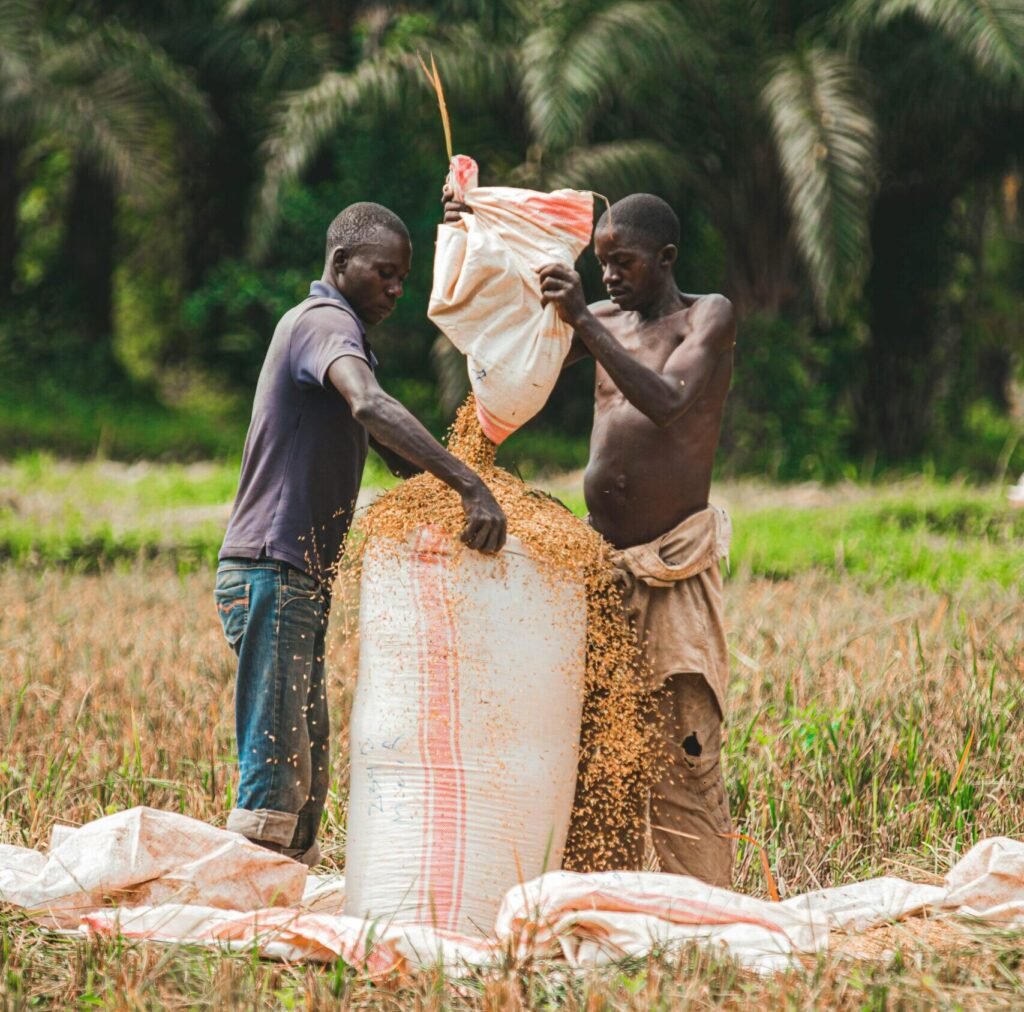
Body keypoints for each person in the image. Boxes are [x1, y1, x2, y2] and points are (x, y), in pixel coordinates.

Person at [215, 202, 506, 866]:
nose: (397, 290)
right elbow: (371, 405)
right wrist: (466, 484)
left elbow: (392, 448)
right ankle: (248, 914)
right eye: (386, 273)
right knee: (277, 776)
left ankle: (280, 900)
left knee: (306, 768)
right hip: (272, 571)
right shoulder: (323, 324)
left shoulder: (339, 336)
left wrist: (476, 479)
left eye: (404, 277)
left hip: (294, 580)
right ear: (341, 264)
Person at [536, 194, 738, 886]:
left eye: (623, 262)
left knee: (681, 746)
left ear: (666, 258)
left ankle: (706, 914)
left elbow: (670, 400)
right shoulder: (603, 323)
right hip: (603, 564)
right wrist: (472, 224)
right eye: (601, 264)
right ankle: (600, 901)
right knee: (600, 750)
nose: (611, 276)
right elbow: (512, 349)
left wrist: (587, 320)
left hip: (672, 566)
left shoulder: (707, 315)